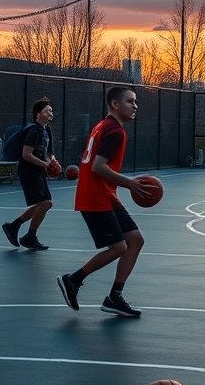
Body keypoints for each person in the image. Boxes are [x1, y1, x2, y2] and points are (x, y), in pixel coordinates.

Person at [55, 87, 160, 318]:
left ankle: (115, 296)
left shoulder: (102, 125)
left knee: (135, 240)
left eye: (135, 102)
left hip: (104, 195)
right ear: (114, 104)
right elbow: (98, 167)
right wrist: (130, 183)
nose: (135, 106)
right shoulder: (115, 131)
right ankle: (72, 280)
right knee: (119, 247)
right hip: (96, 196)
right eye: (129, 101)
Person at [2, 98, 57, 251]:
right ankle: (29, 236)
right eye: (47, 111)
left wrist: (53, 162)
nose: (51, 113)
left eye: (51, 111)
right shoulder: (33, 130)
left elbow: (49, 152)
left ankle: (14, 227)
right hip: (28, 170)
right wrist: (44, 164)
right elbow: (26, 154)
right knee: (46, 203)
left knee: (44, 204)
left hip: (38, 169)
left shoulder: (47, 130)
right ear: (38, 114)